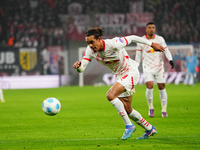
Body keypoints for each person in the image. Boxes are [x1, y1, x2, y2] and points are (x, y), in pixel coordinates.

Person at [73, 27, 165, 140]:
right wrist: (78, 67)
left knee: (110, 95)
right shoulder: (90, 50)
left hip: (130, 72)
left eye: (92, 42)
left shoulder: (114, 44)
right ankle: (150, 129)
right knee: (128, 110)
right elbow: (82, 68)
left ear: (99, 39)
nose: (90, 45)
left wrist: (151, 44)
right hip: (120, 76)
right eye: (88, 43)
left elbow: (133, 38)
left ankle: (128, 126)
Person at [135, 22, 174, 118]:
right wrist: (135, 67)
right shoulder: (141, 40)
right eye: (149, 27)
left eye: (153, 27)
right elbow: (138, 56)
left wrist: (170, 59)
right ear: (146, 29)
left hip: (159, 67)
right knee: (150, 85)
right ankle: (150, 108)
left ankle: (164, 110)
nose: (151, 29)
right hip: (147, 67)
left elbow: (166, 50)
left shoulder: (160, 39)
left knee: (162, 87)